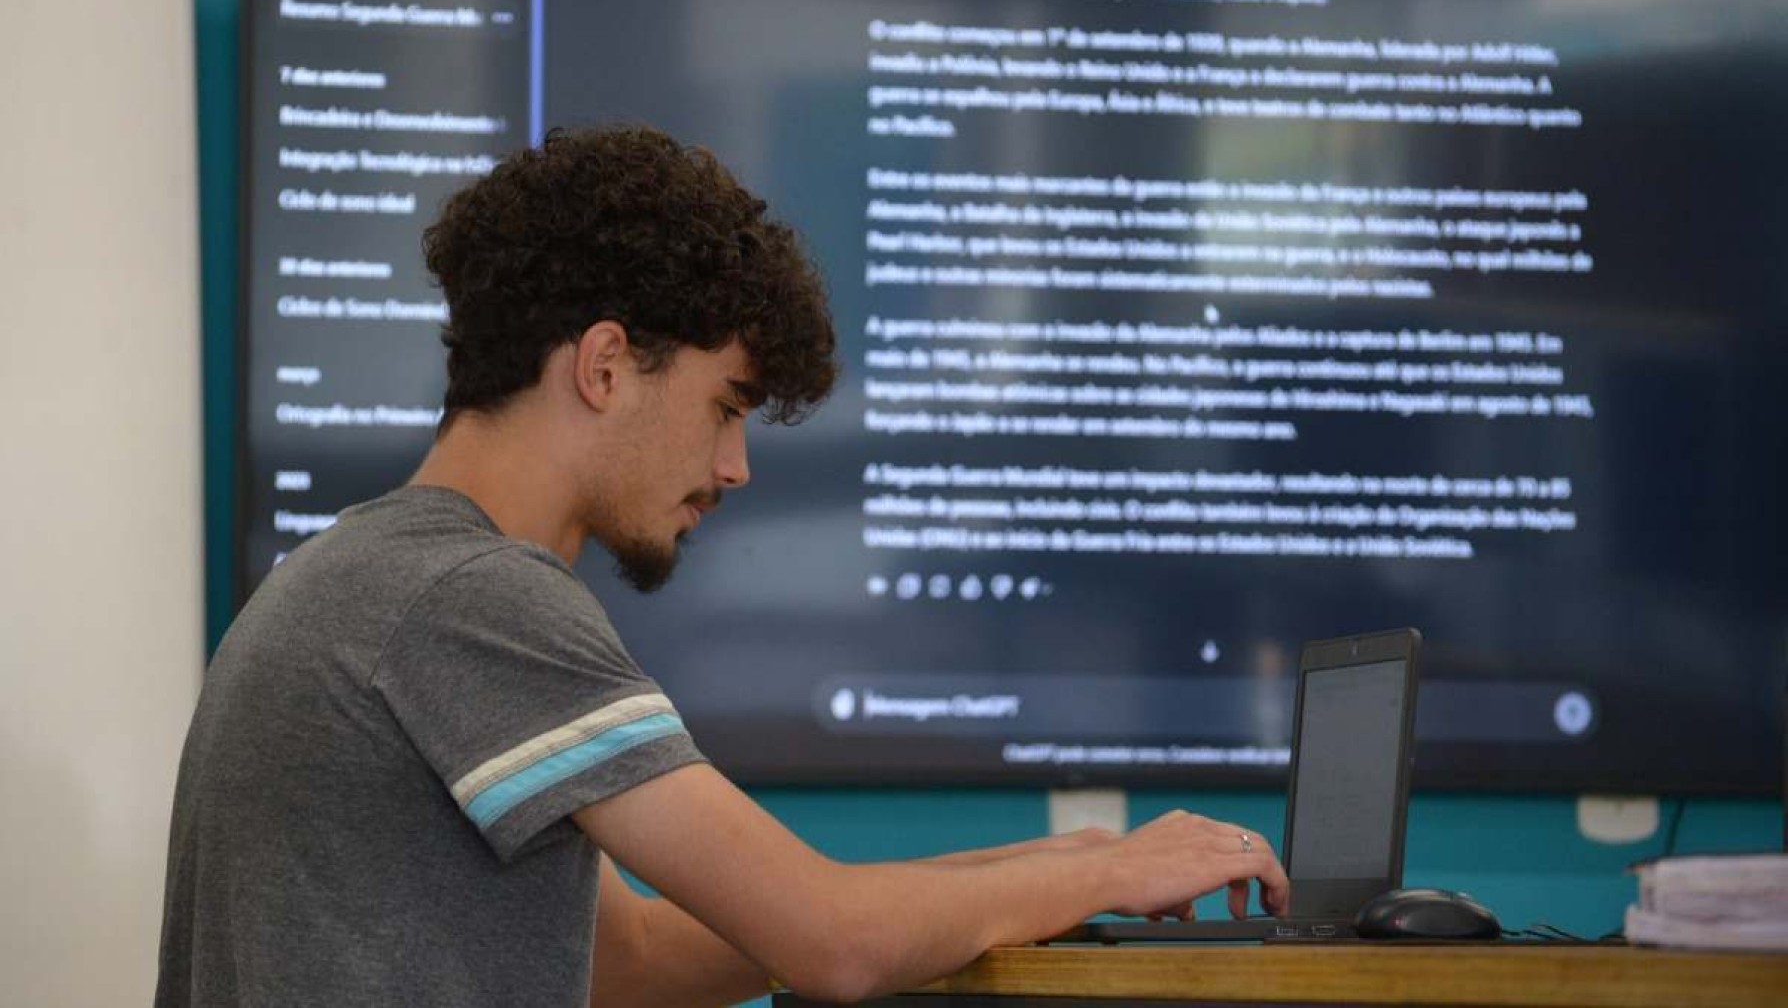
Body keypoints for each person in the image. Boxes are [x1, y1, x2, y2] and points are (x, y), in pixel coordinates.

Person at [156, 125, 1288, 1008]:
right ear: (606, 365)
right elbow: (832, 943)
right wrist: (1104, 878)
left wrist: (1046, 862)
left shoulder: (371, 577)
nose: (736, 467)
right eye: (725, 407)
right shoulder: (471, 599)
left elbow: (636, 961)